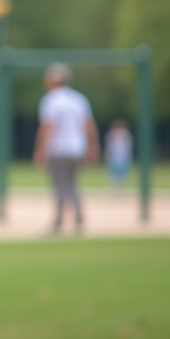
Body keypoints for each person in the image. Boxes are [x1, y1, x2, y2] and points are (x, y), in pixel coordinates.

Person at [33, 63, 100, 235]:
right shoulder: (79, 99)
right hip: (77, 149)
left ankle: (59, 221)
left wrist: (40, 149)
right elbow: (88, 125)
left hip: (58, 149)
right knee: (72, 184)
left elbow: (48, 127)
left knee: (60, 186)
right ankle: (78, 218)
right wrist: (93, 146)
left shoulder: (51, 100)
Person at [105, 119, 134, 191]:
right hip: (114, 156)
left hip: (124, 156)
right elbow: (108, 146)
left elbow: (129, 146)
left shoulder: (127, 135)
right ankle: (116, 187)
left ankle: (122, 187)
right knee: (114, 173)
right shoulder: (111, 135)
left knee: (123, 173)